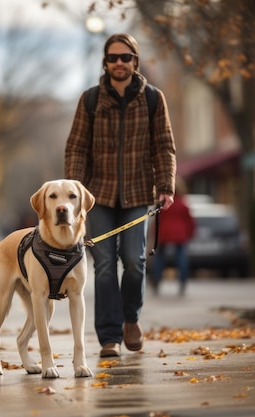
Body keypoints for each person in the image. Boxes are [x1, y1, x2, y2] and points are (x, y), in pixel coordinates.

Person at [65, 33, 177, 358]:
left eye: (125, 57)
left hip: (138, 194)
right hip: (97, 196)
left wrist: (166, 186)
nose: (119, 63)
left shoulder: (153, 99)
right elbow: (76, 148)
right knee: (103, 265)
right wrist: (75, 194)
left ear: (135, 61)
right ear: (105, 62)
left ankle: (131, 319)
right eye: (112, 57)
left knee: (134, 262)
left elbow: (165, 147)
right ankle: (109, 337)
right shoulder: (90, 100)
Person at [150, 178, 196, 296]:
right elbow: (189, 220)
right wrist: (191, 233)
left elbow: (157, 219)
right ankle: (183, 281)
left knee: (160, 257)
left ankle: (156, 279)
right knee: (181, 257)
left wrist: (153, 233)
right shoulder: (183, 203)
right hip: (180, 233)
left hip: (164, 233)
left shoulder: (163, 202)